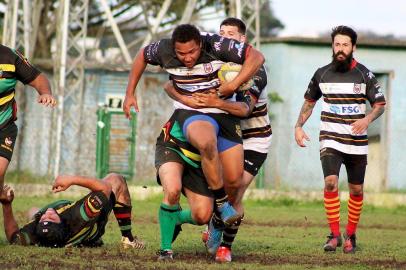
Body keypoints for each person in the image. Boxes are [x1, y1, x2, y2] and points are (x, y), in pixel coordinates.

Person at [123, 24, 265, 259]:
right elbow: (141, 56)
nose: (187, 58)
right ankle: (221, 204)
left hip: (225, 114)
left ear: (200, 44)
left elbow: (257, 57)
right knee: (205, 141)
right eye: (182, 54)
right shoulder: (163, 49)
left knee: (233, 180)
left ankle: (213, 218)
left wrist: (231, 84)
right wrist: (130, 93)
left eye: (192, 52)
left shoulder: (216, 45)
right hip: (192, 112)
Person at [163, 18, 271, 262]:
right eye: (221, 33)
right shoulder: (213, 61)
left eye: (230, 34)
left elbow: (244, 109)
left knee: (236, 191)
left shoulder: (253, 69)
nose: (224, 38)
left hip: (254, 137)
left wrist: (216, 101)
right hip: (227, 132)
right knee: (217, 188)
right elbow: (173, 84)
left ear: (242, 40)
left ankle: (225, 246)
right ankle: (202, 217)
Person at [294, 26, 386, 253]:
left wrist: (367, 119)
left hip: (356, 141)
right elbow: (309, 103)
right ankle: (334, 234)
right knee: (330, 182)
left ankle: (351, 235)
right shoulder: (321, 74)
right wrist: (298, 126)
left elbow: (380, 104)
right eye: (337, 45)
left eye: (345, 45)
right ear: (332, 46)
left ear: (353, 47)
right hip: (330, 138)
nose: (341, 49)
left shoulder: (364, 74)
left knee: (356, 190)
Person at [0, 174, 145, 248]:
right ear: (61, 222)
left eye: (44, 219)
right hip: (91, 226)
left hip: (61, 231)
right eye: (51, 218)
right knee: (115, 179)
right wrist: (71, 179)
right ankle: (128, 239)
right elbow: (105, 188)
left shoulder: (37, 234)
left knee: (33, 211)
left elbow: (13, 237)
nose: (47, 214)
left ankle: (88, 240)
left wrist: (6, 205)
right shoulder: (78, 217)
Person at [0, 44, 56, 195]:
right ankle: (5, 200)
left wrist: (45, 93)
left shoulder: (9, 57)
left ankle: (4, 201)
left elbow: (38, 78)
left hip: (3, 127)